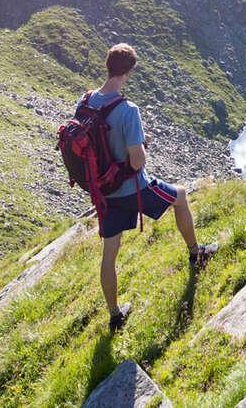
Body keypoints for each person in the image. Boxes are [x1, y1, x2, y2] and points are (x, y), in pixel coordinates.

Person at [84, 43, 217, 332]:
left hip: (104, 192)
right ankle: (197, 253)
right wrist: (142, 145)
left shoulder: (87, 102)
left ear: (108, 66)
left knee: (110, 252)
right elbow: (136, 162)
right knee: (180, 197)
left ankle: (115, 315)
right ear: (129, 71)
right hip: (131, 187)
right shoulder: (127, 109)